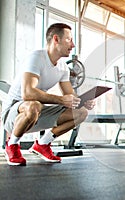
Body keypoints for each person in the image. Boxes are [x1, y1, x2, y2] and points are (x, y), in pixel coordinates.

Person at [1, 23, 95, 166]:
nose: (73, 45)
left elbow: (71, 96)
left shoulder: (63, 67)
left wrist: (83, 101)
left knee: (81, 112)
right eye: (69, 40)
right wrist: (61, 100)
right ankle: (12, 144)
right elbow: (28, 93)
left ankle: (43, 144)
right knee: (34, 105)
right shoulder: (36, 58)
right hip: (13, 115)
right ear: (56, 39)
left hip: (36, 113)